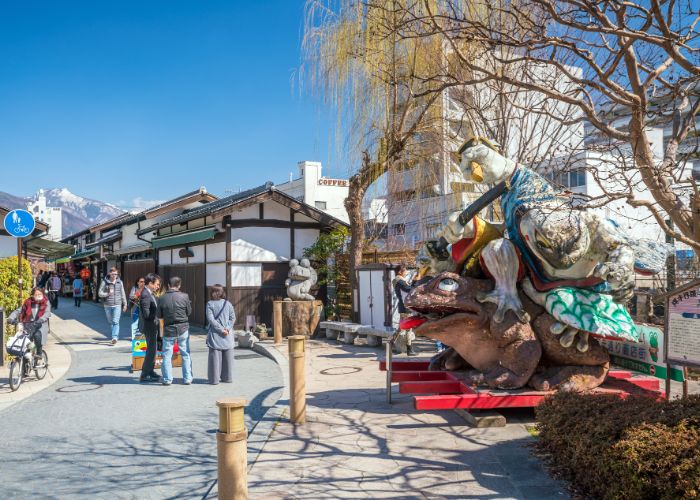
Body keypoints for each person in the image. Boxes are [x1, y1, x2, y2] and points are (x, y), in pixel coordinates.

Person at [158, 276, 193, 385]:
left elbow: (159, 315)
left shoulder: (162, 298)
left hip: (169, 328)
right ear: (179, 285)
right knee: (185, 353)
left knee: (166, 355)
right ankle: (187, 378)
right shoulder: (185, 296)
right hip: (183, 327)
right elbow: (189, 312)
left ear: (168, 285)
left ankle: (167, 379)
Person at [205, 284, 236, 385]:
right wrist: (226, 328)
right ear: (222, 293)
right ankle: (227, 378)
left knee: (215, 358)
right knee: (228, 358)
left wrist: (220, 329)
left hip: (215, 334)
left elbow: (210, 319)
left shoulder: (210, 304)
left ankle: (214, 380)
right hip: (228, 335)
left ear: (213, 293)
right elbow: (233, 318)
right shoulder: (228, 304)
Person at [18, 287, 51, 367]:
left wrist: (41, 319)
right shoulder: (28, 302)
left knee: (37, 336)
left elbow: (47, 313)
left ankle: (39, 353)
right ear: (32, 295)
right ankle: (25, 367)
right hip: (29, 325)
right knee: (26, 344)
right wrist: (11, 318)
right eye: (36, 294)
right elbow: (19, 310)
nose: (38, 295)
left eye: (40, 294)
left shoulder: (46, 302)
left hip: (40, 325)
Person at [139, 273, 161, 383]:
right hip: (149, 326)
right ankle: (145, 374)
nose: (158, 286)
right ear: (150, 283)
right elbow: (147, 314)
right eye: (157, 284)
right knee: (151, 351)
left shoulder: (150, 293)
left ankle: (150, 371)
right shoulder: (145, 295)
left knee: (153, 350)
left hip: (152, 326)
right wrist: (158, 313)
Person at [98, 267, 127, 345]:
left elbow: (123, 293)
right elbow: (99, 293)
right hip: (107, 305)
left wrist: (125, 304)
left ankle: (114, 337)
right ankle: (114, 335)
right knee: (110, 322)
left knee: (115, 321)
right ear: (109, 274)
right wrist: (107, 294)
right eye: (113, 274)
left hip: (117, 304)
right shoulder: (105, 282)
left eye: (116, 274)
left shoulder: (119, 282)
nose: (115, 276)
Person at [393, 265, 417, 356]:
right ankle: (409, 350)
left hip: (403, 306)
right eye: (405, 270)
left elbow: (407, 288)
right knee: (408, 328)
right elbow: (409, 289)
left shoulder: (398, 281)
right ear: (400, 272)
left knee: (402, 327)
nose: (406, 272)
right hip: (405, 307)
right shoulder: (399, 281)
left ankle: (390, 342)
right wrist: (415, 282)